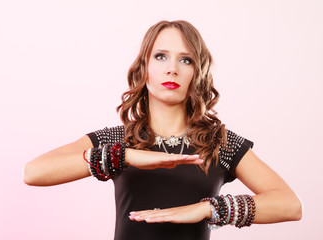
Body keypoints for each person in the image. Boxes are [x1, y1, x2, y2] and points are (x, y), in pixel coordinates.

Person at [24, 20, 302, 240]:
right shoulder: (119, 139)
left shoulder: (218, 143)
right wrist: (126, 156)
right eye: (160, 57)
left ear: (198, 72)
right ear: (143, 68)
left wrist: (209, 208)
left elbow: (290, 205)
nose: (172, 69)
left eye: (186, 60)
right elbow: (34, 172)